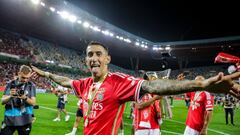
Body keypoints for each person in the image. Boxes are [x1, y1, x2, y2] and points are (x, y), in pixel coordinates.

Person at [31, 41, 240, 135]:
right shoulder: (84, 84)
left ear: (107, 59)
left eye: (98, 54)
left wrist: (200, 84)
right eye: (89, 54)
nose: (93, 58)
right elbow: (65, 81)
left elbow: (152, 85)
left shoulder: (118, 82)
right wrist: (47, 74)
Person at [1, 65, 36, 135]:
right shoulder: (11, 84)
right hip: (10, 118)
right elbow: (2, 101)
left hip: (25, 119)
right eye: (23, 77)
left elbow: (33, 103)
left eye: (27, 78)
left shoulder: (31, 85)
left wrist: (24, 98)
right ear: (19, 73)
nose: (25, 80)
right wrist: (10, 96)